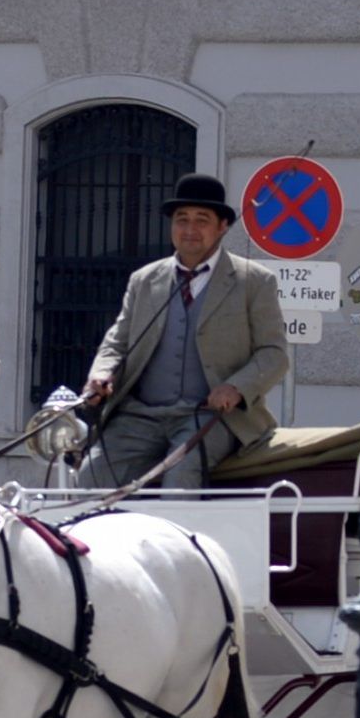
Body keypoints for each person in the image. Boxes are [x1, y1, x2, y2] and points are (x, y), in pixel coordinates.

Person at [81, 176, 288, 490]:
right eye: (182, 220)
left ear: (222, 227)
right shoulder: (144, 280)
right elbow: (117, 341)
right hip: (140, 415)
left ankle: (175, 540)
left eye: (202, 220)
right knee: (90, 474)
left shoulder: (254, 282)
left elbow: (274, 354)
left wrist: (236, 387)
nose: (190, 229)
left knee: (182, 474)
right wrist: (102, 374)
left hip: (209, 417)